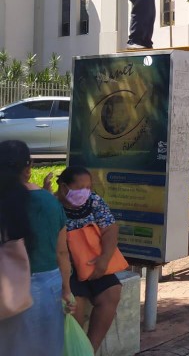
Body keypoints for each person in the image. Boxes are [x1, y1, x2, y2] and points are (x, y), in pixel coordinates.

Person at [0, 140, 73, 356]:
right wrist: (67, 290)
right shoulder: (50, 203)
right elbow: (61, 252)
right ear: (28, 168)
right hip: (46, 287)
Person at [54, 166, 123, 352]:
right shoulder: (53, 205)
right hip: (67, 268)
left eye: (88, 187)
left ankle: (89, 350)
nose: (85, 192)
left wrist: (104, 259)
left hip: (93, 261)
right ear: (63, 187)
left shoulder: (94, 201)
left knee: (112, 292)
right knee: (76, 307)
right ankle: (79, 349)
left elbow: (110, 229)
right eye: (80, 188)